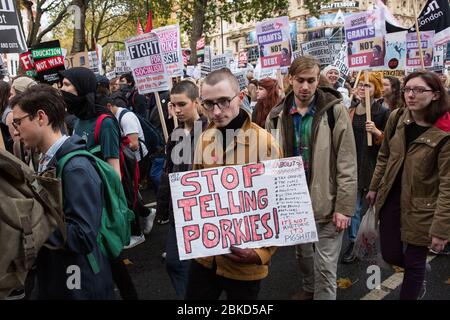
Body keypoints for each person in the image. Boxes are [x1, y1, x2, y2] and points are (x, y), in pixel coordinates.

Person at [184, 68, 282, 300]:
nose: (216, 111)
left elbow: (279, 204)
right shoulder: (205, 139)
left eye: (224, 102)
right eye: (209, 104)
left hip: (244, 262)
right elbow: (195, 196)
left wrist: (260, 254)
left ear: (240, 98)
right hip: (205, 257)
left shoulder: (265, 143)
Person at [10, 84, 115, 299]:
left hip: (78, 281)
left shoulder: (75, 168)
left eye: (18, 122)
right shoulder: (47, 159)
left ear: (41, 117)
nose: (15, 130)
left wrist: (32, 226)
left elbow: (83, 236)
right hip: (60, 275)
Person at [266, 55, 357, 300]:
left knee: (326, 268)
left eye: (311, 80)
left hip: (328, 203)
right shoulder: (276, 116)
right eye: (300, 80)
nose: (305, 87)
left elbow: (347, 161)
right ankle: (309, 288)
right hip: (295, 204)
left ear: (319, 80)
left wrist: (345, 207)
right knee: (303, 257)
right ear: (290, 80)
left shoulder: (334, 111)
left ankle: (319, 292)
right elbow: (269, 163)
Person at [367, 70, 450, 299]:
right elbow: (384, 156)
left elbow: (447, 186)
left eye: (419, 90)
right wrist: (374, 187)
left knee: (414, 261)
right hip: (392, 197)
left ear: (435, 94)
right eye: (407, 89)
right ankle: (418, 269)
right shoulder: (398, 117)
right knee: (391, 254)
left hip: (424, 206)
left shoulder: (445, 131)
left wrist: (441, 229)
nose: (411, 95)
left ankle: (416, 278)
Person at [59, 67, 138, 300]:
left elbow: (115, 174)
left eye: (66, 85)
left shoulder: (105, 122)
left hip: (100, 208)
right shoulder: (77, 122)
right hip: (85, 206)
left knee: (112, 260)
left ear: (82, 87)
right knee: (108, 264)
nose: (62, 90)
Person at [159, 80, 208, 298]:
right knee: (175, 263)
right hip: (178, 211)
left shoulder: (211, 132)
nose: (177, 110)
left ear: (196, 102)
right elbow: (168, 172)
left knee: (202, 268)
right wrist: (162, 207)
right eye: (173, 105)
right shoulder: (175, 135)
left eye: (182, 104)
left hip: (203, 210)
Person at [341, 73, 390, 264]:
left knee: (374, 209)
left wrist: (377, 132)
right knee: (353, 208)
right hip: (353, 166)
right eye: (360, 84)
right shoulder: (350, 111)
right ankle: (353, 242)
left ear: (376, 89)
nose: (363, 88)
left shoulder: (383, 113)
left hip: (373, 166)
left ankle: (372, 242)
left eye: (368, 85)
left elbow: (391, 143)